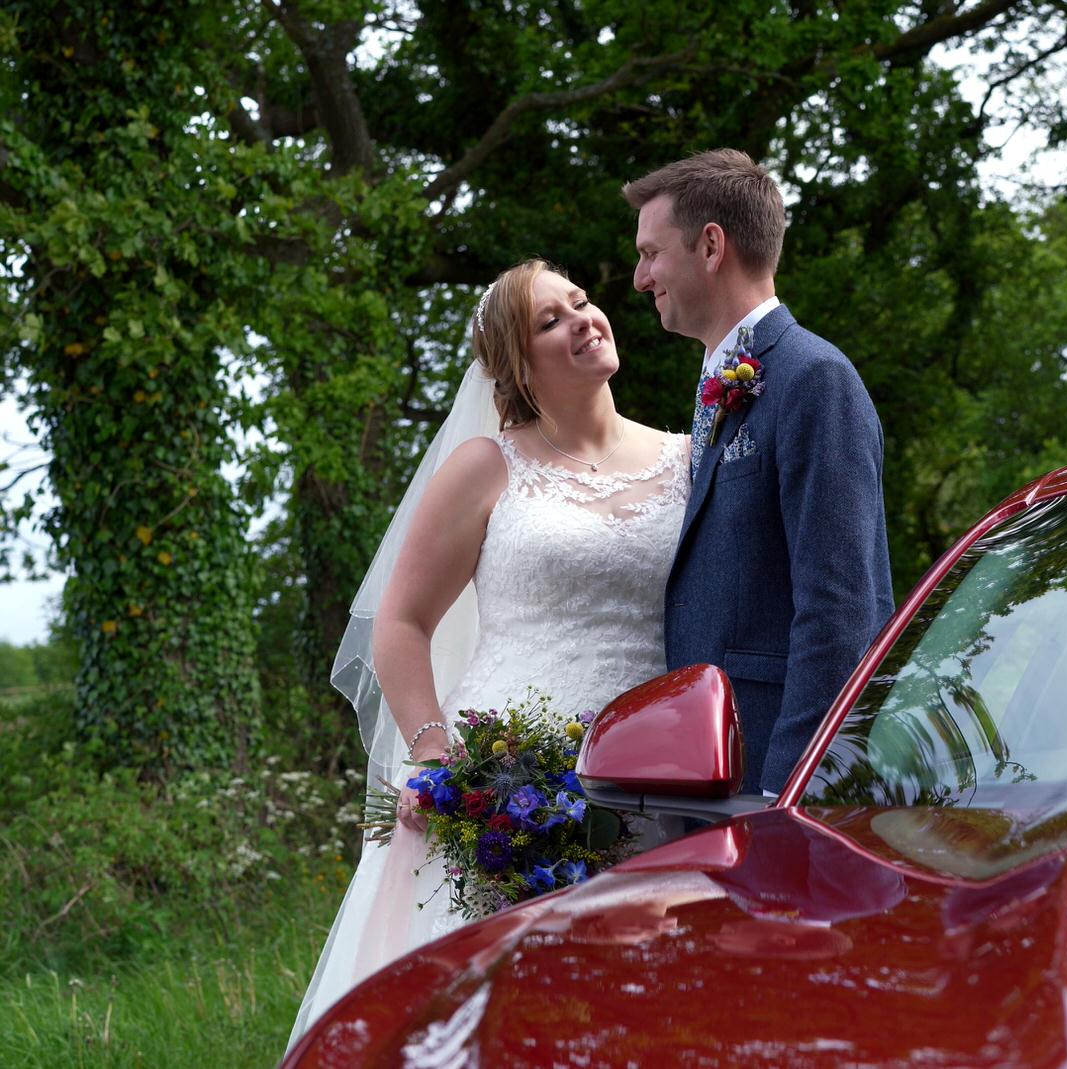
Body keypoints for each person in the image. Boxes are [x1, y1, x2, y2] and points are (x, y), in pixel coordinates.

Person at [287, 259, 688, 1042]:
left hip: (654, 786)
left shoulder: (688, 458)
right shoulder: (486, 466)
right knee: (483, 1023)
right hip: (506, 787)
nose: (581, 319)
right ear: (516, 365)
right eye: (549, 321)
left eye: (579, 301)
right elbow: (399, 622)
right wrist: (440, 756)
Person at [624, 149, 894, 794]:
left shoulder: (813, 378)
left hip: (773, 770)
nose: (640, 277)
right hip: (709, 764)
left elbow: (841, 606)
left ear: (711, 246)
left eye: (651, 253)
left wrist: (791, 786)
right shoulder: (723, 381)